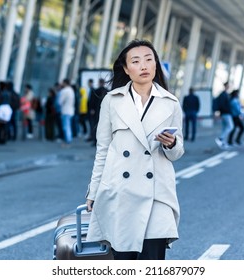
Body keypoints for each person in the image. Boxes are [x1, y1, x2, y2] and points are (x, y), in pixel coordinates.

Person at [85, 39, 185, 260]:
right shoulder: (112, 101)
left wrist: (171, 144)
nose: (144, 66)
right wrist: (93, 192)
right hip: (121, 192)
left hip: (157, 194)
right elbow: (102, 150)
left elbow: (177, 153)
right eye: (136, 61)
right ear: (126, 69)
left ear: (156, 65)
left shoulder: (170, 103)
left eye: (149, 60)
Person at [88, 78, 108, 146]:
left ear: (99, 83)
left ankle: (95, 140)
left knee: (95, 126)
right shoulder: (107, 91)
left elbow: (91, 101)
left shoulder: (95, 91)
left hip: (96, 111)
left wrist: (92, 109)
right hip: (105, 111)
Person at [215, 82, 234, 149]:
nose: (229, 87)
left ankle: (223, 143)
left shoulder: (225, 94)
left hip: (224, 113)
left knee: (224, 128)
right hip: (226, 113)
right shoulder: (223, 95)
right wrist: (226, 110)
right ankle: (220, 139)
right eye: (228, 86)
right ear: (225, 86)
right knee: (230, 126)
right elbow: (222, 105)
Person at [58, 79, 75, 146]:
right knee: (68, 126)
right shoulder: (71, 90)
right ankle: (68, 140)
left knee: (65, 127)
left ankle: (67, 141)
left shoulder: (64, 91)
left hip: (65, 111)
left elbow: (60, 102)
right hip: (71, 110)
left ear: (65, 83)